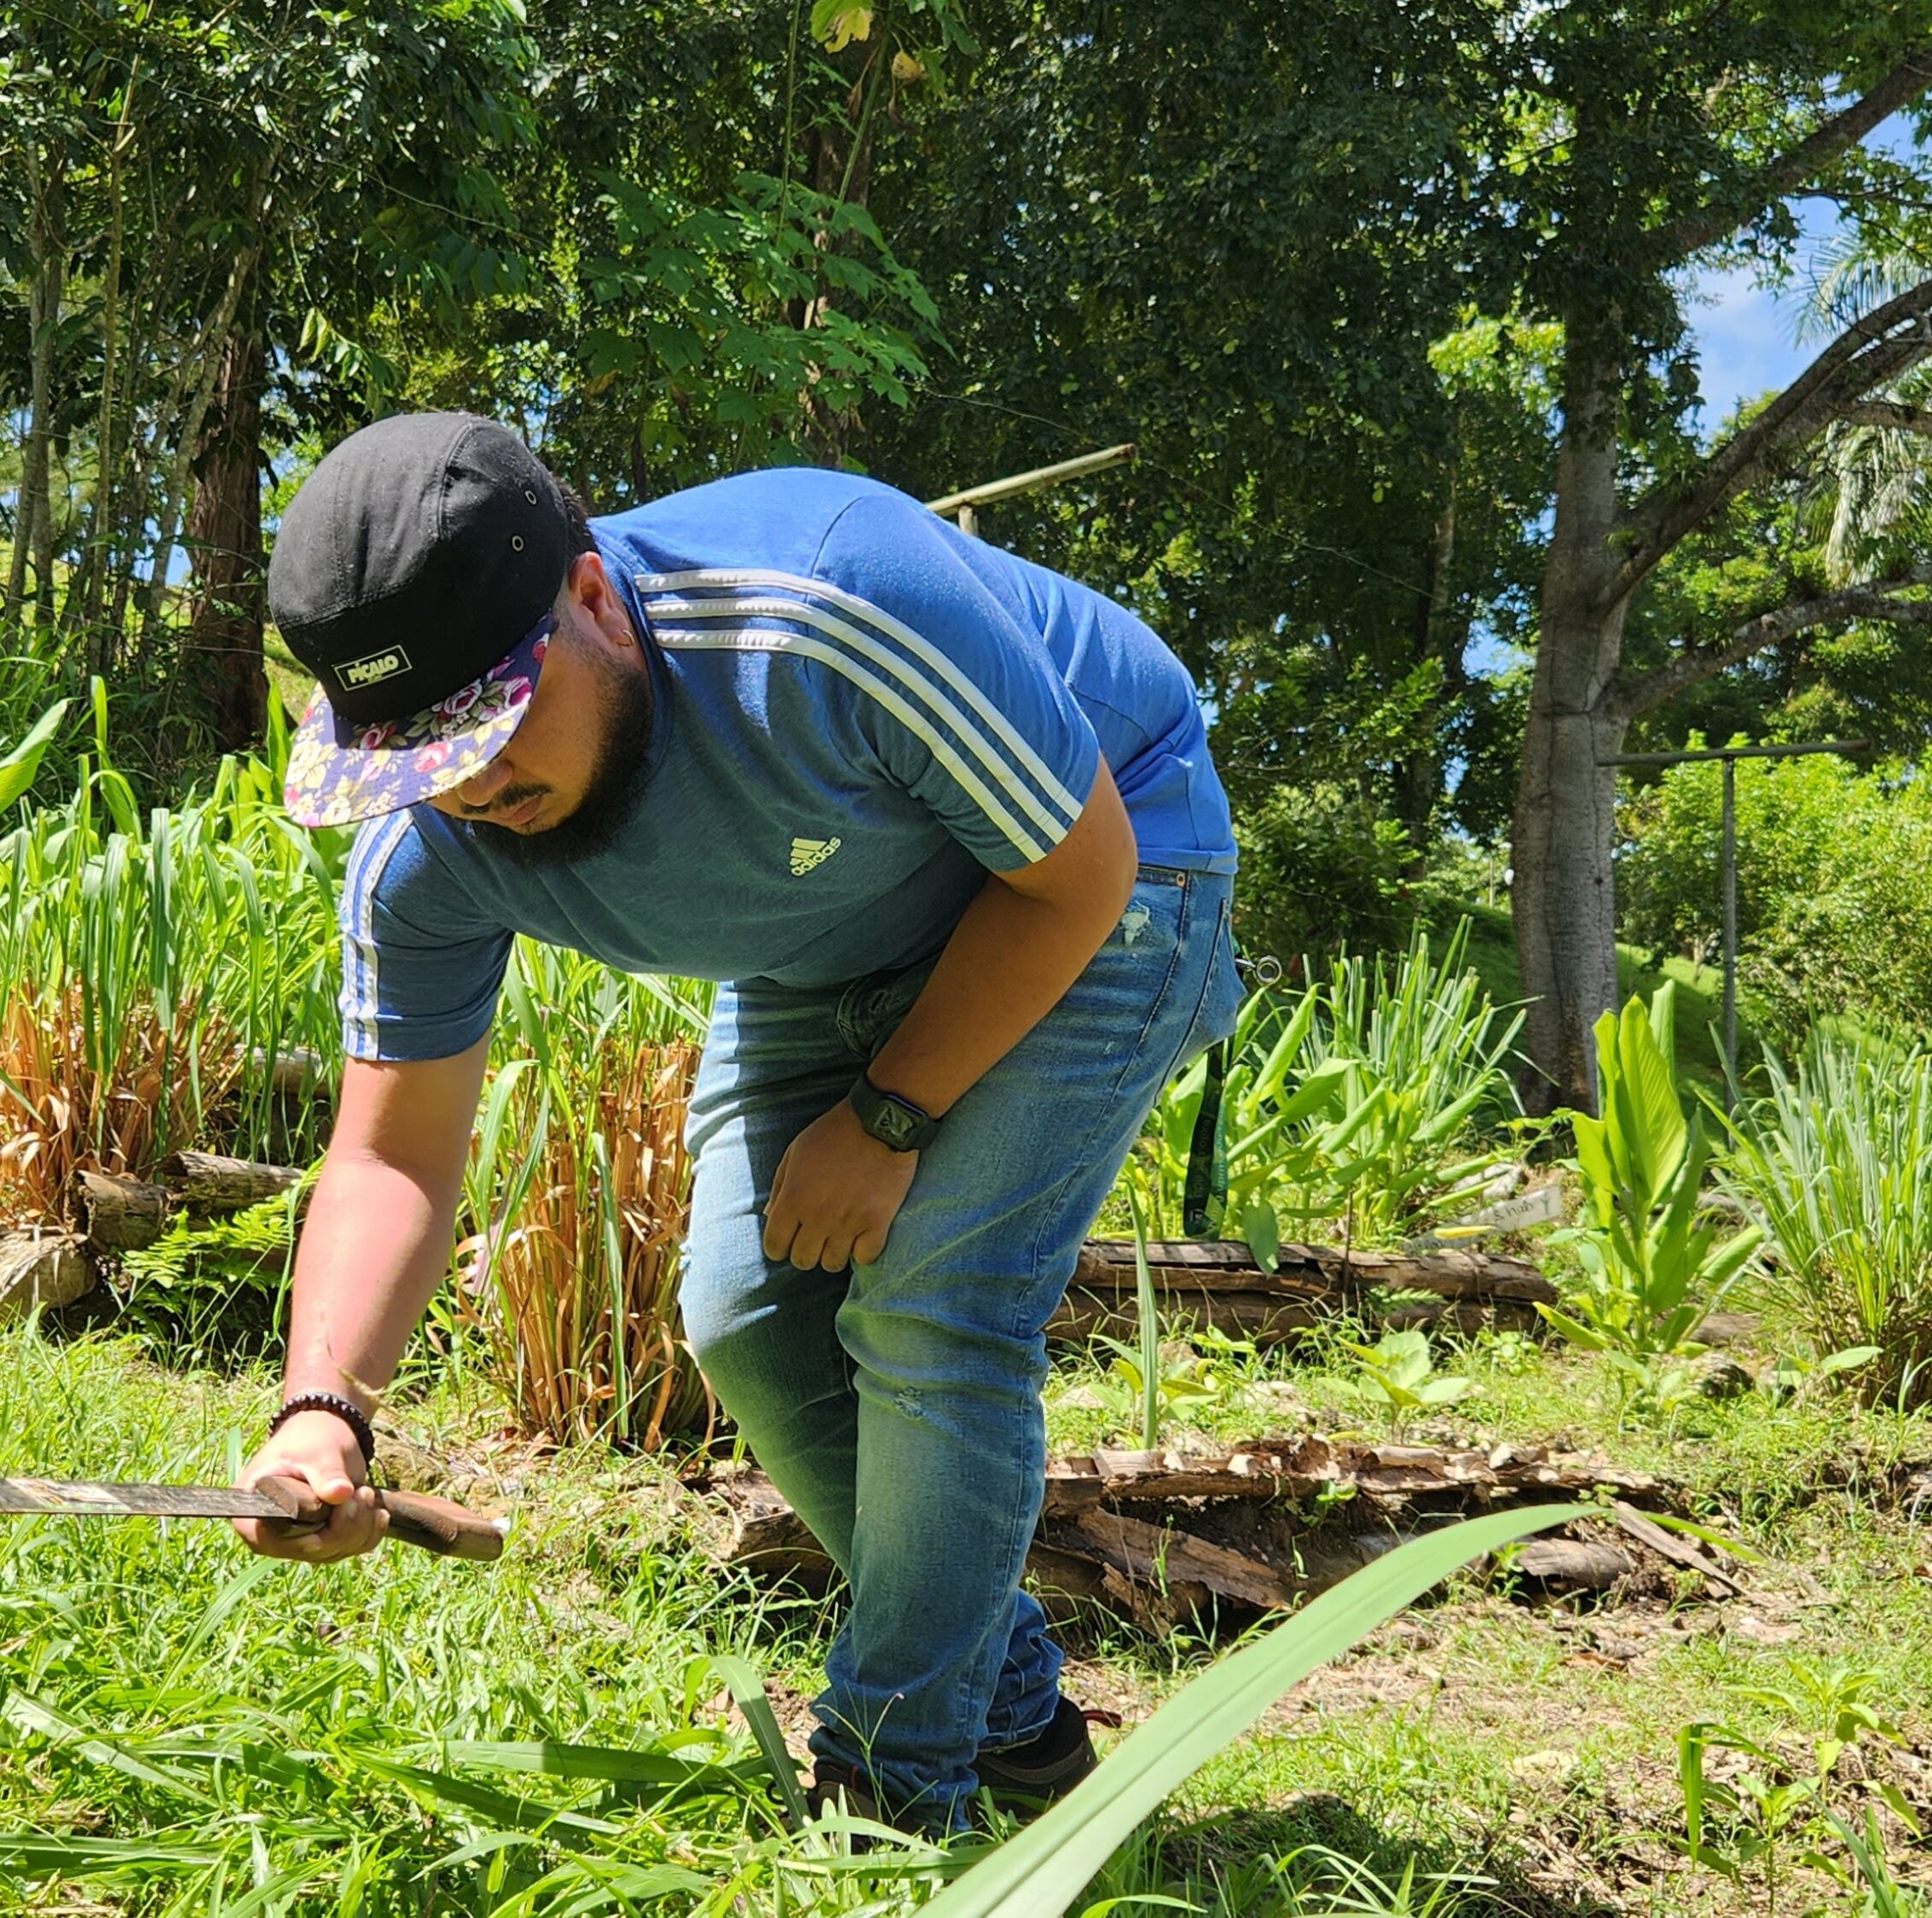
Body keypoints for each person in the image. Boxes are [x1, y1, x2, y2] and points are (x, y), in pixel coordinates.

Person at [230, 411, 1239, 1831]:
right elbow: (392, 1151)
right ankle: (1007, 1706)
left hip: (1114, 868)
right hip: (830, 941)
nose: (471, 792)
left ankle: (894, 1791)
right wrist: (323, 1415)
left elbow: (1076, 876)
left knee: (936, 1304)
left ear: (592, 600)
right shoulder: (427, 853)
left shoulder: (829, 609)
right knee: (750, 1318)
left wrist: (889, 1116)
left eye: (494, 731)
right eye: (420, 759)